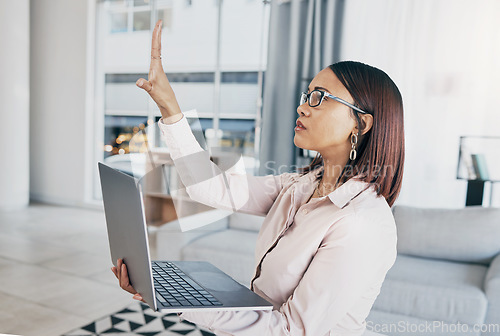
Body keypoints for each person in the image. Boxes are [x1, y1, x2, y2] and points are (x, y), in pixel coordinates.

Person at [112, 19, 404, 336]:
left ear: (361, 124)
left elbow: (291, 330)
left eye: (318, 97)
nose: (302, 107)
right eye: (306, 95)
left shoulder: (362, 224)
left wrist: (185, 302)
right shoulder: (301, 186)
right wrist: (169, 105)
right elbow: (210, 188)